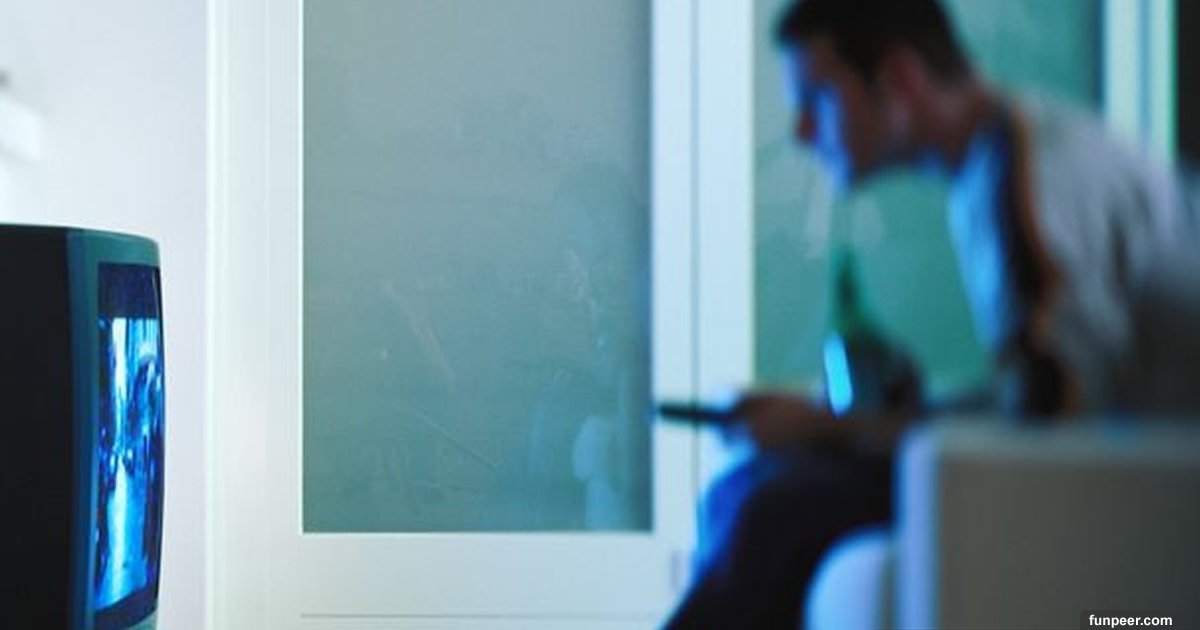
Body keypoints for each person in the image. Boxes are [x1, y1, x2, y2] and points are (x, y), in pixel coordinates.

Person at [663, 0, 1200, 627]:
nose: (802, 131)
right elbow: (1041, 393)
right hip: (1123, 463)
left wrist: (829, 427)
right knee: (749, 485)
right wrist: (834, 423)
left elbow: (1054, 420)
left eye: (817, 98)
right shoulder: (999, 161)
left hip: (1143, 489)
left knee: (776, 510)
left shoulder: (1029, 176)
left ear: (900, 77)